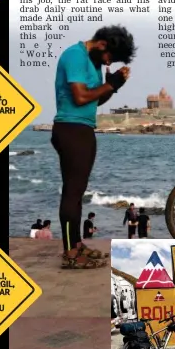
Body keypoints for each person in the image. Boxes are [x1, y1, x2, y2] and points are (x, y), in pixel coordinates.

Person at [52, 25, 135, 269]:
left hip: (83, 128)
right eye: (111, 56)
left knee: (77, 192)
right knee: (71, 192)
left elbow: (96, 98)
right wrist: (113, 83)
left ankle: (76, 246)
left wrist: (113, 84)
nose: (109, 62)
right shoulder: (75, 55)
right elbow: (80, 97)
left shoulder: (95, 63)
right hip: (70, 129)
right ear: (102, 45)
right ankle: (70, 252)